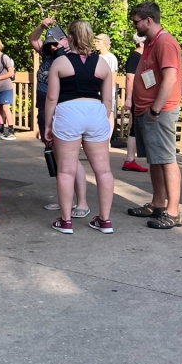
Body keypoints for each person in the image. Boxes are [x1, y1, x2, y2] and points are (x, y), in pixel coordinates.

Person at [44, 20, 114, 234]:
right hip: (95, 111)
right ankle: (105, 221)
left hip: (68, 112)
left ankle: (66, 222)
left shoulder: (61, 63)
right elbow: (108, 100)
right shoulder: (103, 64)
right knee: (103, 170)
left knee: (65, 170)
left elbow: (51, 99)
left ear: (70, 38)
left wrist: (48, 125)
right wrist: (104, 119)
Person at [126, 2, 182, 230]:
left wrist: (155, 110)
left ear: (148, 20)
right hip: (146, 111)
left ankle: (173, 211)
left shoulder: (165, 42)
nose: (134, 25)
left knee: (167, 159)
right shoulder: (150, 42)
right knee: (155, 160)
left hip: (159, 112)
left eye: (136, 21)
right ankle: (158, 204)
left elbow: (170, 78)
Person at [29, 17, 90, 215]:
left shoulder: (71, 57)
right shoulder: (47, 55)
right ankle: (67, 199)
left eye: (56, 43)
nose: (53, 47)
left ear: (66, 39)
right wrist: (42, 26)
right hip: (44, 109)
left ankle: (82, 203)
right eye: (50, 44)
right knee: (58, 157)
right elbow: (32, 39)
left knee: (70, 159)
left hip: (62, 110)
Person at [121, 33, 148, 172]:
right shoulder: (135, 57)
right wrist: (128, 99)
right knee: (135, 127)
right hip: (137, 97)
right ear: (141, 43)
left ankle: (130, 160)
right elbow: (129, 78)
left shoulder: (143, 57)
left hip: (142, 96)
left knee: (136, 128)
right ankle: (129, 159)